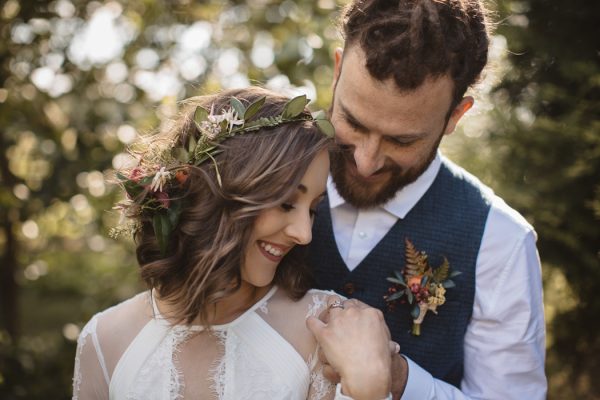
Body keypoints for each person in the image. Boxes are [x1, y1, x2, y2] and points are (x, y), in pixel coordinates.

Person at [71, 87, 394, 400]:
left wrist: (369, 389)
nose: (304, 234)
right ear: (218, 196)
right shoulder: (104, 341)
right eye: (285, 204)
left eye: (312, 210)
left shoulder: (324, 329)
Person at [307, 0, 547, 399]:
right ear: (337, 71)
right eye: (352, 122)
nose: (366, 162)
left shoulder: (501, 243)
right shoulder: (264, 180)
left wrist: (400, 379)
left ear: (456, 115)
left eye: (402, 140)